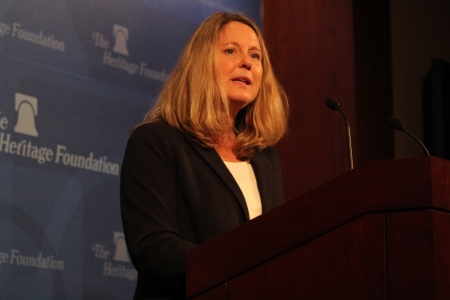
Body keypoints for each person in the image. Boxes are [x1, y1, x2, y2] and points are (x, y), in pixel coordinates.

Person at [120, 11, 289, 300]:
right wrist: (238, 261)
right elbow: (153, 248)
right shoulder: (156, 142)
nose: (247, 62)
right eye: (231, 50)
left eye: (256, 56)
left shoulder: (264, 157)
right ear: (202, 64)